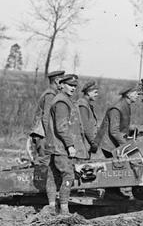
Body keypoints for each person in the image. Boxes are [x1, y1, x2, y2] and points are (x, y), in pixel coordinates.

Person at [46, 73, 85, 215]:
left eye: (75, 86)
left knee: (53, 176)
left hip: (54, 146)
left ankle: (51, 207)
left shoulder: (62, 99)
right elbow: (61, 127)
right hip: (61, 147)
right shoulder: (62, 102)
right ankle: (64, 209)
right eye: (70, 85)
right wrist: (70, 145)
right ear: (61, 85)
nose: (73, 88)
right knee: (68, 175)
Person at [30, 69, 64, 165]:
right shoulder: (50, 95)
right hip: (43, 135)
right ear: (57, 81)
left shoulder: (51, 94)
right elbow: (46, 118)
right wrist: (50, 138)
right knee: (43, 164)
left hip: (43, 134)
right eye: (63, 81)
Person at [95, 86, 140, 158]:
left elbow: (121, 124)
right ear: (128, 95)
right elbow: (114, 131)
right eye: (135, 93)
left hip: (115, 143)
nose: (137, 96)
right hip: (110, 145)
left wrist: (130, 128)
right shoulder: (116, 108)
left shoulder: (126, 105)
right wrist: (126, 145)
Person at [77, 81, 100, 157]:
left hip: (85, 144)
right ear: (89, 92)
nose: (97, 95)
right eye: (95, 92)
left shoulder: (86, 104)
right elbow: (85, 126)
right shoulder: (83, 105)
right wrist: (93, 142)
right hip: (82, 144)